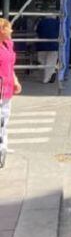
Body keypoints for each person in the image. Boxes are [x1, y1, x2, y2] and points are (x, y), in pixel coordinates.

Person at [0, 18, 22, 168]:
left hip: (7, 89)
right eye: (9, 28)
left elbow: (11, 65)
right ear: (2, 31)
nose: (12, 31)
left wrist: (15, 81)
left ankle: (3, 148)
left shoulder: (8, 44)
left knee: (4, 120)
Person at [35, 14, 60, 84]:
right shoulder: (57, 23)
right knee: (50, 62)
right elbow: (60, 33)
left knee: (42, 60)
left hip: (41, 45)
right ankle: (48, 76)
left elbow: (37, 31)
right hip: (53, 45)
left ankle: (50, 74)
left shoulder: (41, 22)